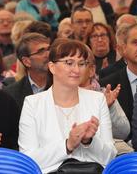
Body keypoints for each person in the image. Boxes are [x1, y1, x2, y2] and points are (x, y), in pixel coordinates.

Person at [19, 39, 117, 173]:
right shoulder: (33, 103)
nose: (76, 70)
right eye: (69, 63)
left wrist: (89, 141)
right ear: (52, 67)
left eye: (81, 63)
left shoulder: (97, 99)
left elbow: (110, 157)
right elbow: (27, 160)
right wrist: (67, 145)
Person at [4, 33, 50, 112]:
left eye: (49, 49)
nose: (48, 54)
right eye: (41, 51)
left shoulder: (63, 85)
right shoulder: (11, 94)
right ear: (26, 62)